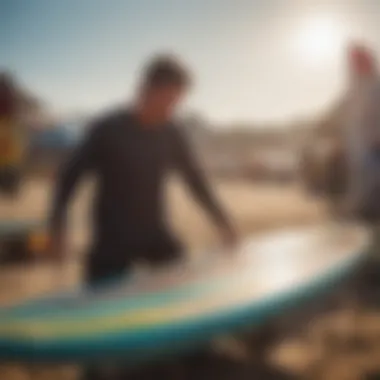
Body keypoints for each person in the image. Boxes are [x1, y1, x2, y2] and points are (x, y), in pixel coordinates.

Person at [48, 54, 237, 379]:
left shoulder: (171, 132)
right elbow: (69, 176)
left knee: (184, 277)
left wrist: (221, 220)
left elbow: (195, 179)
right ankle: (94, 369)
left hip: (154, 232)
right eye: (168, 99)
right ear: (144, 90)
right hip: (112, 237)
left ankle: (191, 351)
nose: (172, 108)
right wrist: (58, 225)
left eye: (177, 101)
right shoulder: (108, 128)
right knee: (99, 318)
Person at [0, 73, 25, 197]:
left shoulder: (10, 93)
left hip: (9, 123)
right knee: (10, 157)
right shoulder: (11, 93)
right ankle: (10, 187)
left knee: (10, 157)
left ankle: (10, 187)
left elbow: (15, 108)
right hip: (9, 124)